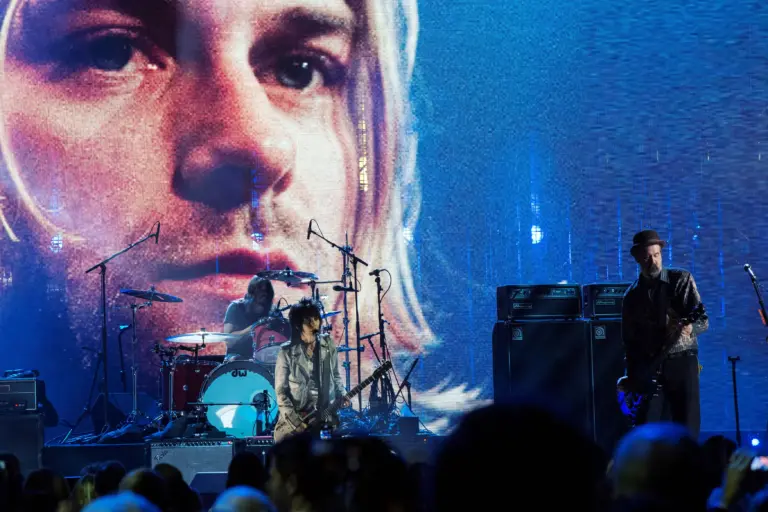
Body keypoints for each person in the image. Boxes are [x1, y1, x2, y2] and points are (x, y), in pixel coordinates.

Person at [621, 229, 708, 437]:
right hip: (649, 366)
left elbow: (703, 321)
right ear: (637, 258)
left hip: (681, 361)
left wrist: (690, 328)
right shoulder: (631, 295)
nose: (654, 261)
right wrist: (631, 378)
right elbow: (629, 341)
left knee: (687, 425)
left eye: (657, 255)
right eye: (647, 257)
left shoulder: (681, 280)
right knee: (646, 428)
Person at [273, 298, 348, 441]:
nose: (314, 323)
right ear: (298, 325)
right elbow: (281, 392)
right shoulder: (286, 352)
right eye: (308, 320)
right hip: (297, 421)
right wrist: (296, 422)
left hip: (324, 418)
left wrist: (342, 394)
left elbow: (335, 375)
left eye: (316, 318)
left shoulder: (328, 345)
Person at [222, 275, 280, 360]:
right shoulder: (236, 307)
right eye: (261, 290)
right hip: (236, 356)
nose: (265, 294)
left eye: (267, 291)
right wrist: (255, 327)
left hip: (263, 358)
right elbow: (229, 342)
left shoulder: (273, 311)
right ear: (252, 293)